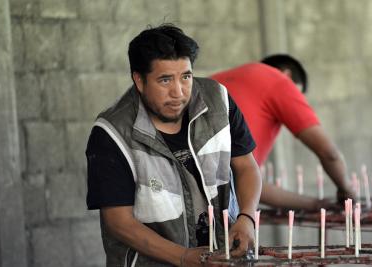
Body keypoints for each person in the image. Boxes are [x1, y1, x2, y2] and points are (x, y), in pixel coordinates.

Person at [86, 24, 262, 266]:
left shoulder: (218, 101)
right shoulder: (112, 132)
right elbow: (118, 222)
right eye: (165, 80)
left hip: (222, 258)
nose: (178, 92)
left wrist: (247, 217)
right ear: (139, 80)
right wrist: (182, 257)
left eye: (186, 77)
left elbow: (246, 166)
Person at [211, 54, 354, 210]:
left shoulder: (215, 82)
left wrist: (315, 204)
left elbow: (245, 184)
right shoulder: (278, 81)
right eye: (296, 94)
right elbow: (330, 154)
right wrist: (346, 189)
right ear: (287, 75)